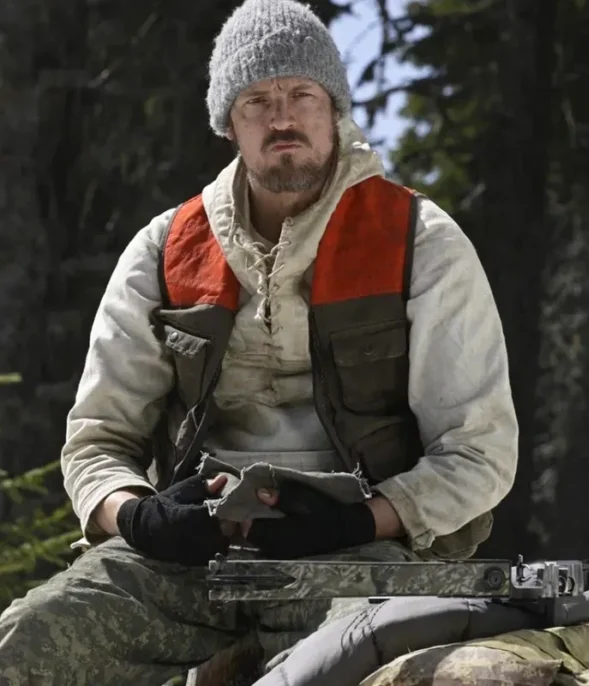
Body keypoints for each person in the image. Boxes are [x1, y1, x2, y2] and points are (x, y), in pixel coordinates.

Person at [0, 0, 519, 683]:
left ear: (333, 110)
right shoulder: (164, 248)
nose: (281, 119)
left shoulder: (420, 241)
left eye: (302, 95)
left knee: (405, 673)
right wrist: (142, 519)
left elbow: (479, 451)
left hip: (361, 560)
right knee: (23, 644)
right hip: (187, 563)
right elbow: (97, 439)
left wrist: (360, 522)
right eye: (256, 101)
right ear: (229, 124)